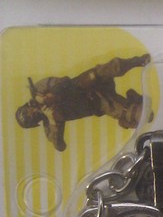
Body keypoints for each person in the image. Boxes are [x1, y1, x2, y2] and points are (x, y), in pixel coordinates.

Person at [16, 54, 151, 151]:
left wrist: (52, 95)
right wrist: (53, 121)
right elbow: (60, 146)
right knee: (142, 115)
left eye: (29, 110)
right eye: (33, 116)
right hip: (99, 102)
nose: (34, 111)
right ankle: (134, 100)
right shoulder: (50, 123)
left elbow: (64, 81)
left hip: (89, 82)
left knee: (110, 68)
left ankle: (138, 61)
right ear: (37, 121)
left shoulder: (39, 89)